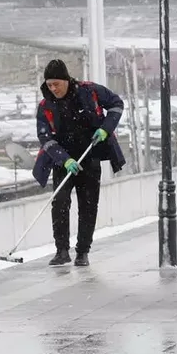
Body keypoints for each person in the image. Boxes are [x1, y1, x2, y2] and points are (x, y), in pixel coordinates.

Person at [33, 59, 126, 267]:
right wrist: (65, 160)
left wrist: (106, 129)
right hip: (63, 161)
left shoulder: (89, 91)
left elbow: (116, 104)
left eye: (56, 83)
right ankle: (62, 251)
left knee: (88, 206)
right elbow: (45, 138)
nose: (53, 88)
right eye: (49, 85)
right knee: (60, 203)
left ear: (66, 80)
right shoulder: (45, 106)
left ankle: (82, 252)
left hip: (89, 156)